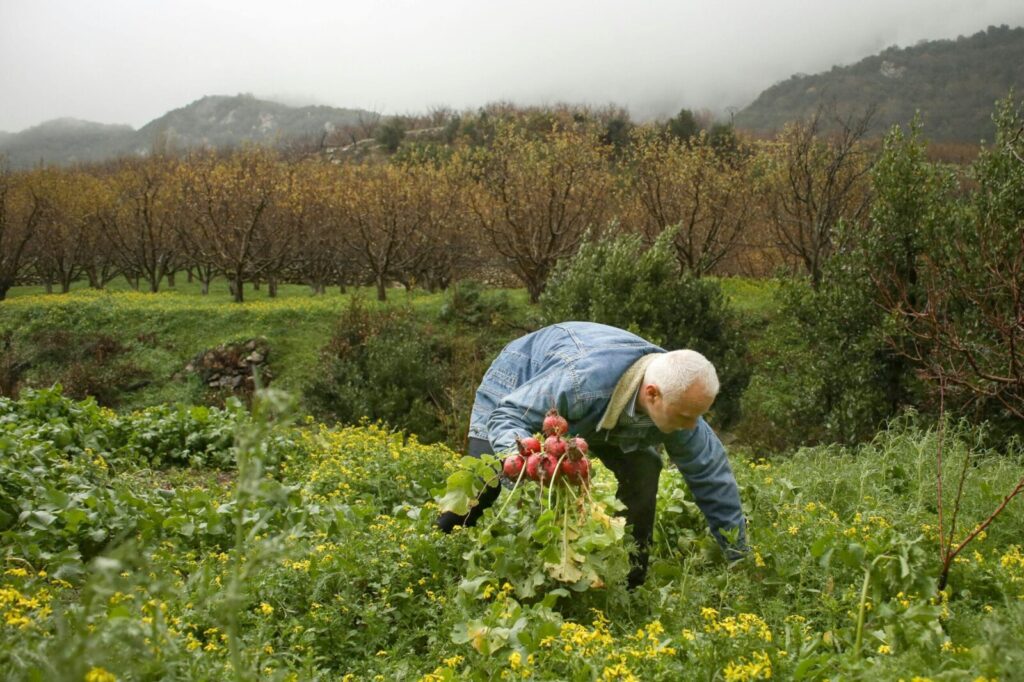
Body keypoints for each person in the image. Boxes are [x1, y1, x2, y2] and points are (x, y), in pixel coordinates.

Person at [437, 321, 747, 588]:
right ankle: (437, 551)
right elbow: (508, 416)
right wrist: (525, 460)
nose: (692, 427)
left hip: (605, 406)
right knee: (485, 479)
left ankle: (631, 581)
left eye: (697, 416)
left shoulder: (678, 399)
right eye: (684, 417)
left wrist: (739, 556)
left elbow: (711, 476)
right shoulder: (580, 382)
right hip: (521, 379)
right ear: (652, 394)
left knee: (643, 471)